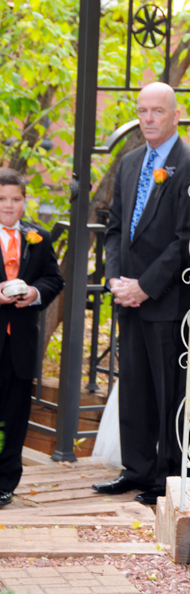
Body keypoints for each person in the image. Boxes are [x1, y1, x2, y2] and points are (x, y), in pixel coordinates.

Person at [92, 82, 190, 506]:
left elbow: (186, 240)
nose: (148, 118)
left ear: (175, 114)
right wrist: (117, 279)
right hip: (127, 297)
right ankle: (135, 469)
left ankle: (165, 475)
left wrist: (145, 287)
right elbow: (115, 226)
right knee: (133, 385)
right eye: (142, 110)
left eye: (157, 111)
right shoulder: (132, 160)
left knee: (168, 391)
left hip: (165, 300)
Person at [0, 167, 64, 507]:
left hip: (20, 344)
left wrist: (34, 293)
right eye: (1, 199)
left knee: (14, 414)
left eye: (15, 199)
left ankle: (6, 481)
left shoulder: (38, 237)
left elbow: (54, 279)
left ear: (25, 202)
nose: (8, 206)